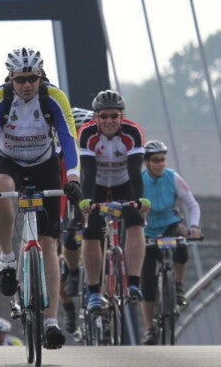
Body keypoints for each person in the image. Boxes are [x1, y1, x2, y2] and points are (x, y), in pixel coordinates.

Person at [0, 47, 82, 350]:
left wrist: (73, 178)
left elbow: (68, 138)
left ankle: (50, 322)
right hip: (8, 162)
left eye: (32, 78)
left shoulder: (54, 98)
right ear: (10, 77)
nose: (27, 85)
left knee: (50, 244)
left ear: (41, 76)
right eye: (21, 79)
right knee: (1, 187)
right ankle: (7, 259)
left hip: (44, 164)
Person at [77, 90, 149, 315]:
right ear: (96, 117)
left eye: (114, 116)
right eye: (104, 116)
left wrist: (138, 200)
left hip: (123, 182)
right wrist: (86, 200)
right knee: (90, 231)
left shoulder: (133, 132)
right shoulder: (87, 133)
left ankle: (134, 282)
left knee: (135, 220)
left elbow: (135, 169)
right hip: (96, 183)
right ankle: (94, 292)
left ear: (121, 116)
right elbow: (87, 171)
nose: (109, 121)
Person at [139, 140, 202, 345]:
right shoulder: (138, 181)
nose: (160, 164)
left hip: (169, 224)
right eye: (155, 160)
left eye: (163, 160)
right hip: (148, 230)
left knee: (182, 243)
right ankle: (150, 329)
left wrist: (194, 226)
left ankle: (177, 284)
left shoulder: (173, 178)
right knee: (146, 281)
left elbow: (192, 205)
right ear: (146, 162)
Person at [60, 107, 94, 334]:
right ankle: (69, 307)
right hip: (69, 203)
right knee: (66, 244)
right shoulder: (62, 153)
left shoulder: (97, 149)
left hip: (93, 200)